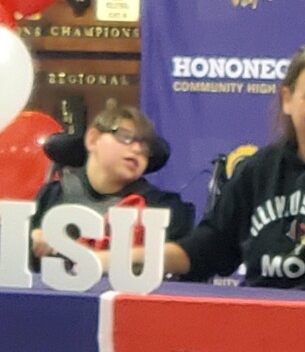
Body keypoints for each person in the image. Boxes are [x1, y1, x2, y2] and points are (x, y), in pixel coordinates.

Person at [115, 39, 305, 293]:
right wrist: (114, 260)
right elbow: (207, 249)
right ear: (287, 99)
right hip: (258, 329)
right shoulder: (257, 171)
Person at [31, 100, 194, 259]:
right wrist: (31, 239)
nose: (137, 149)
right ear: (93, 139)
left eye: (145, 146)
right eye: (125, 137)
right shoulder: (52, 195)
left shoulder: (164, 209)